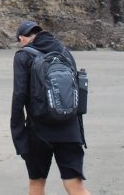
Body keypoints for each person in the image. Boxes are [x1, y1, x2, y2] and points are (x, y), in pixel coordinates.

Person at [11, 20, 90, 195]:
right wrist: (79, 131)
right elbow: (76, 91)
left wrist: (18, 135)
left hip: (38, 131)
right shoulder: (64, 52)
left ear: (23, 38)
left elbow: (19, 97)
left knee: (37, 183)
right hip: (69, 128)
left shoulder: (23, 56)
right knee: (75, 185)